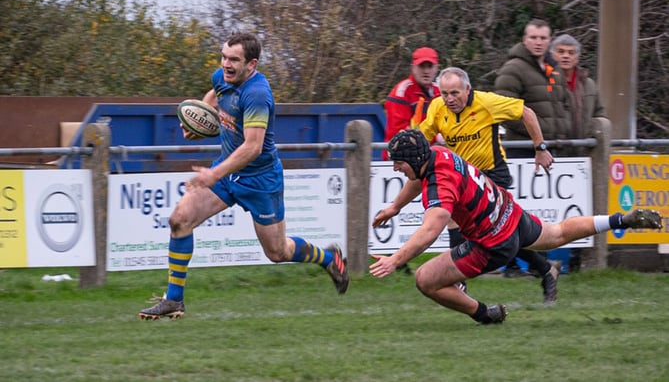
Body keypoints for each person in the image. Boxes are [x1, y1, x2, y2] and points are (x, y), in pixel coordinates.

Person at [138, 33, 349, 320]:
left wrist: (213, 173)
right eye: (224, 56)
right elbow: (214, 95)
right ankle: (174, 300)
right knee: (179, 219)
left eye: (233, 60)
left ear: (251, 64)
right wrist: (198, 120)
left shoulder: (257, 95)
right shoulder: (223, 76)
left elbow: (253, 147)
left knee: (277, 252)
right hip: (227, 173)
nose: (226, 64)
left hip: (260, 179)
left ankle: (328, 257)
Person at [370, 130, 661, 324]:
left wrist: (395, 260)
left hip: (491, 243)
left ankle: (485, 314)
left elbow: (429, 231)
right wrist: (395, 207)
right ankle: (619, 220)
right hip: (509, 213)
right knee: (557, 233)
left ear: (416, 160)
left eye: (399, 163)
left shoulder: (440, 181)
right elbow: (416, 178)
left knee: (425, 278)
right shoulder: (436, 153)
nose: (396, 168)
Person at [419, 67, 560, 303]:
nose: (449, 99)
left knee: (498, 235)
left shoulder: (487, 103)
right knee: (492, 233)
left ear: (467, 89)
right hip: (463, 178)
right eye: (444, 93)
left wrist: (540, 148)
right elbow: (423, 135)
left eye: (455, 93)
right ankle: (545, 269)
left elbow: (527, 113)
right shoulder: (437, 108)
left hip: (493, 175)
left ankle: (544, 270)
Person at [494, 18, 571, 276]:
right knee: (516, 209)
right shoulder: (513, 69)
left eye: (543, 38)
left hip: (546, 149)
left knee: (543, 210)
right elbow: (504, 108)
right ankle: (513, 265)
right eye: (533, 37)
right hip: (521, 149)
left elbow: (562, 105)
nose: (538, 42)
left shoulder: (553, 68)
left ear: (549, 40)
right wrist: (533, 136)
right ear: (525, 39)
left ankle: (541, 263)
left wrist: (557, 136)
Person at [550, 33, 608, 272]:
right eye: (561, 51)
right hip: (555, 153)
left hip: (582, 157)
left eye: (570, 52)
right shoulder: (547, 79)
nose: (566, 56)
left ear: (577, 57)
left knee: (581, 210)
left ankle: (576, 258)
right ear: (553, 55)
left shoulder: (589, 83)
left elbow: (600, 112)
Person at [383, 47, 441, 160]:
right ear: (413, 68)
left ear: (436, 68)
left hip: (428, 156)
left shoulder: (440, 92)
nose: (426, 71)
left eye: (430, 66)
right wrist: (437, 136)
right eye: (421, 66)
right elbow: (400, 133)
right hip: (401, 157)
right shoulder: (401, 93)